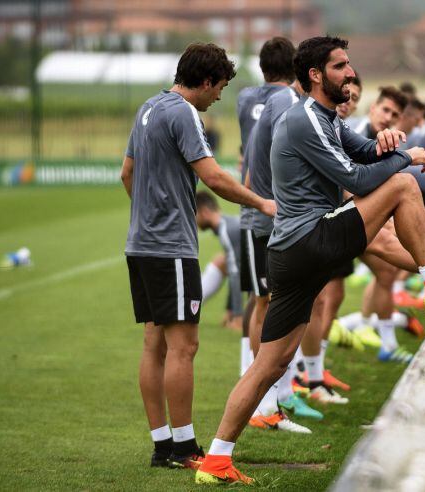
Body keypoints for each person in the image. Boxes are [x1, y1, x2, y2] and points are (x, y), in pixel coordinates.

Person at [195, 36, 425, 485]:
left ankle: (216, 458)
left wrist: (388, 142)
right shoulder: (304, 118)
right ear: (316, 75)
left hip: (294, 251)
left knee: (270, 364)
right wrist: (406, 158)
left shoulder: (323, 116)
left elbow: (363, 152)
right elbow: (354, 177)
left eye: (350, 66)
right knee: (403, 186)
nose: (350, 74)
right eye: (340, 67)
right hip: (308, 242)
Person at [120, 42, 276, 471]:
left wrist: (147, 218)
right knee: (184, 346)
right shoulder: (183, 112)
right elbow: (212, 176)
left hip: (140, 245)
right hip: (170, 247)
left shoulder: (148, 108)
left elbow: (126, 173)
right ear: (205, 82)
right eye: (219, 88)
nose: (219, 98)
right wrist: (260, 202)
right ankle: (186, 449)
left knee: (154, 345)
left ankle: (162, 446)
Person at [237, 37, 296, 384]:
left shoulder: (245, 98)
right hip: (269, 201)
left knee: (263, 298)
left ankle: (261, 377)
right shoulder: (286, 100)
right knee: (266, 300)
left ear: (262, 67)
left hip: (254, 190)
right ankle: (258, 380)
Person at [195, 191, 243, 330]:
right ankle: (189, 307)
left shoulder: (227, 230)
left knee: (226, 263)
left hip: (270, 270)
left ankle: (187, 307)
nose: (194, 220)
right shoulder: (227, 224)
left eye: (195, 214)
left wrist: (238, 316)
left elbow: (235, 275)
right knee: (222, 261)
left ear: (204, 212)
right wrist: (230, 311)